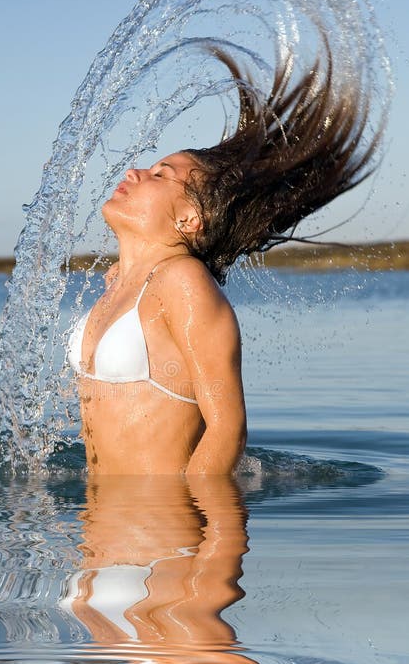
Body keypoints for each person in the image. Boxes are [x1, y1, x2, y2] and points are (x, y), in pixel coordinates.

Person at [68, 47, 382, 476]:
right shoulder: (126, 283)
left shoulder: (182, 282)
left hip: (166, 538)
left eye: (162, 175)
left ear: (189, 218)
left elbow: (227, 429)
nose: (134, 173)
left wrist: (219, 538)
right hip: (99, 534)